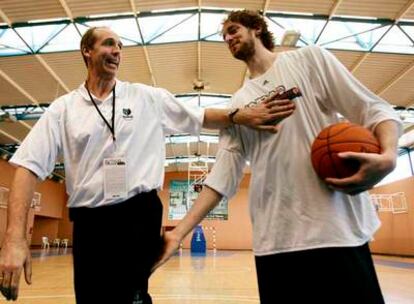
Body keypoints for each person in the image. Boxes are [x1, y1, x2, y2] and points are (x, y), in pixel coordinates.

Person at [0, 26, 296, 303]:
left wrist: (239, 115)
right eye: (108, 44)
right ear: (86, 51)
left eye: (120, 46)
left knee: (129, 294)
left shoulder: (145, 97)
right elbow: (27, 166)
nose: (117, 50)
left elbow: (200, 116)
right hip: (89, 224)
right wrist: (14, 239)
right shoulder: (63, 109)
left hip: (137, 215)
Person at [153, 10, 402, 303]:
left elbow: (373, 108)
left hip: (336, 230)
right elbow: (221, 177)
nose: (228, 38)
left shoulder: (309, 60)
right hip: (275, 240)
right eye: (224, 37)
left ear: (256, 28)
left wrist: (389, 155)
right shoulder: (237, 105)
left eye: (233, 30)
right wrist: (179, 233)